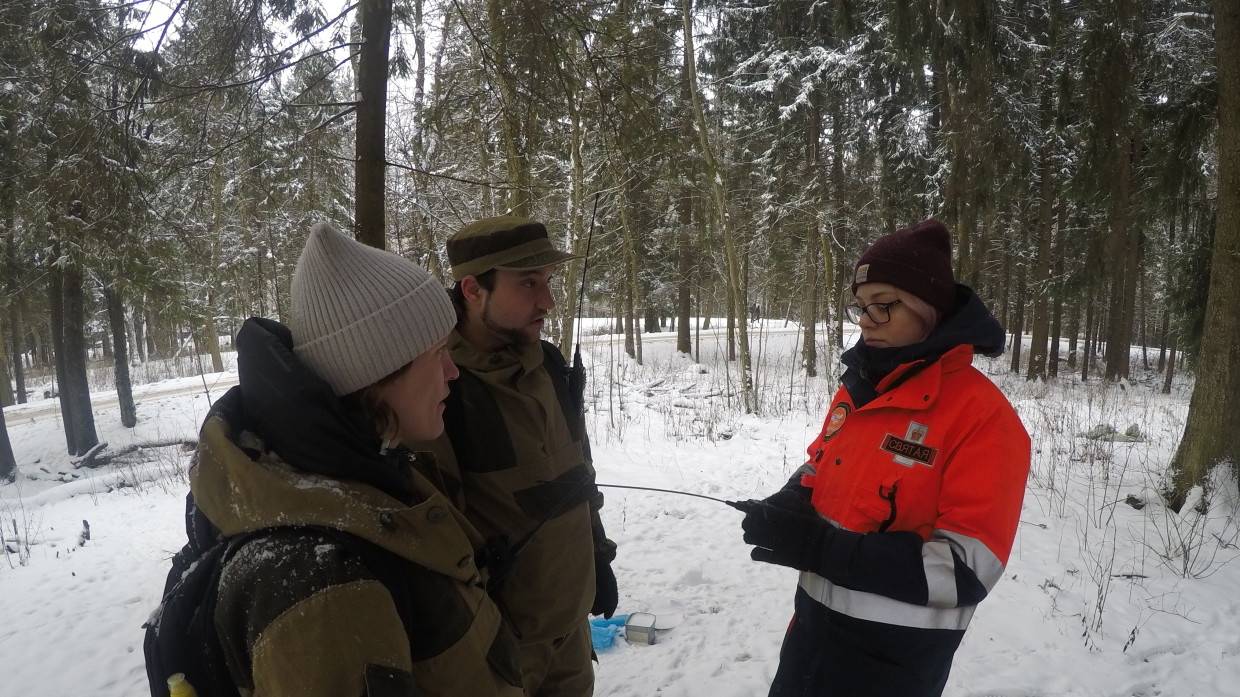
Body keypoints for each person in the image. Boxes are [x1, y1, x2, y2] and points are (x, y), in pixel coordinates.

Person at [186, 223, 524, 697]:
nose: (452, 373)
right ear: (377, 372)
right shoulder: (324, 583)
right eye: (436, 353)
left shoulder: (370, 478)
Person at [733, 219, 1031, 697]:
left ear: (928, 310)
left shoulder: (983, 418)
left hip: (892, 667)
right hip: (809, 643)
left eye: (883, 306)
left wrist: (817, 548)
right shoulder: (859, 389)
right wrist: (790, 501)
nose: (866, 321)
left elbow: (966, 570)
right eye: (861, 307)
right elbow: (821, 462)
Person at [416, 215, 617, 697]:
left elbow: (578, 479)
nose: (547, 300)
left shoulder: (549, 365)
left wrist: (598, 555)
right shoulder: (441, 386)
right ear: (472, 289)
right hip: (499, 654)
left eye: (547, 281)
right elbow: (434, 543)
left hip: (570, 632)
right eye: (528, 283)